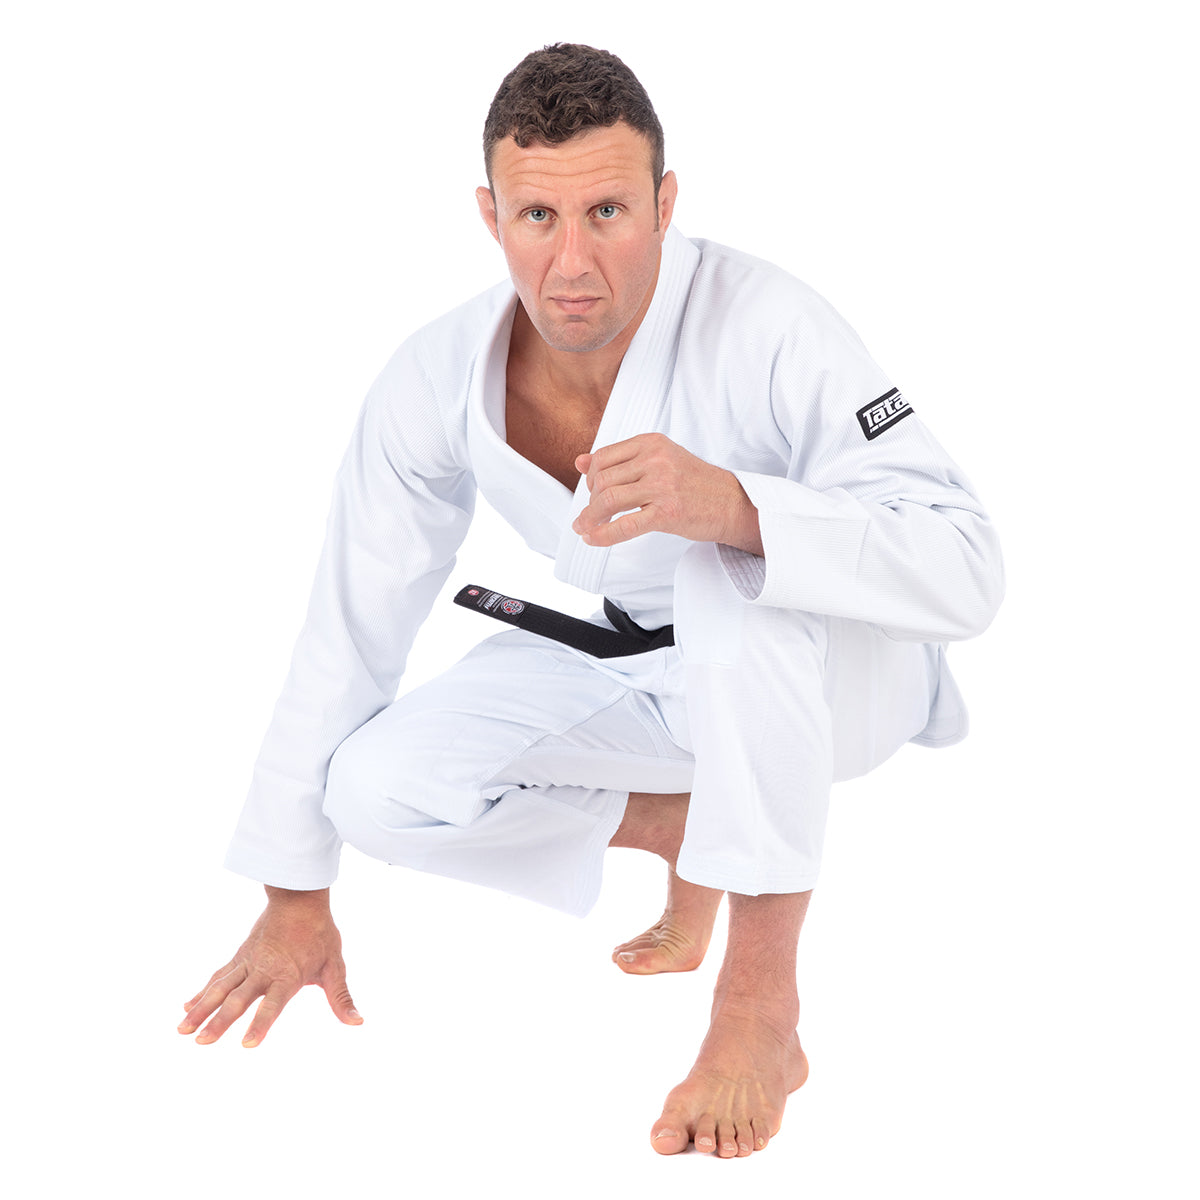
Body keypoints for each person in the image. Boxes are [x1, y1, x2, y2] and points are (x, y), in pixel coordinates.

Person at [179, 43, 1004, 1158]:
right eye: (537, 218)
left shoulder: (772, 324)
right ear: (489, 214)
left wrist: (732, 504)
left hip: (835, 680)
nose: (572, 261)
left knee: (725, 577)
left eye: (609, 210)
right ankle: (692, 836)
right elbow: (350, 622)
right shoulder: (436, 376)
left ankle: (762, 1009)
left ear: (666, 204)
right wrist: (292, 892)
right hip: (631, 670)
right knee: (375, 789)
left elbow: (967, 567)